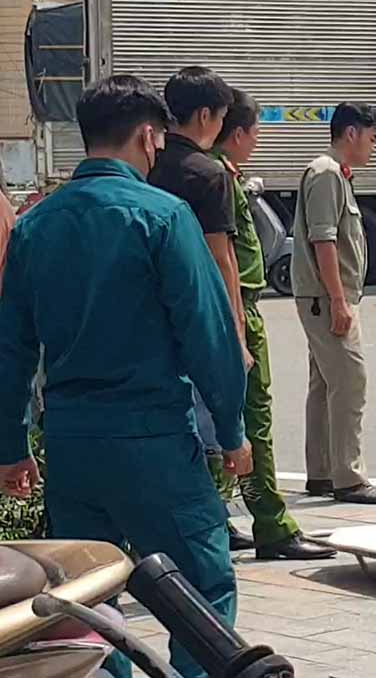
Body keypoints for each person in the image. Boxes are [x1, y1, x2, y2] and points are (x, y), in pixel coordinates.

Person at [0, 75, 250, 678]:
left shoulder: (37, 225)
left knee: (91, 595)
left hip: (74, 445)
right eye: (158, 139)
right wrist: (232, 430)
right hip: (154, 439)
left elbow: (11, 349)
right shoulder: (164, 217)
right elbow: (209, 336)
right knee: (200, 586)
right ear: (146, 134)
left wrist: (10, 448)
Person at [211, 89, 336, 560]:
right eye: (256, 131)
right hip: (236, 308)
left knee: (218, 423)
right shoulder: (215, 178)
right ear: (238, 132)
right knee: (250, 419)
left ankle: (220, 516)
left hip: (232, 308)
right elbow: (224, 258)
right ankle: (272, 525)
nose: (257, 140)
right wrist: (239, 331)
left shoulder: (214, 173)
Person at [291, 102, 376, 505]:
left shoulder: (335, 174)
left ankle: (322, 473)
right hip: (326, 297)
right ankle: (348, 477)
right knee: (350, 382)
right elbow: (324, 240)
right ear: (351, 133)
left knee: (325, 385)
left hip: (326, 295)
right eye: (372, 138)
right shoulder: (327, 174)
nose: (373, 147)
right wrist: (338, 300)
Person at [147, 67, 250, 371]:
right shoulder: (209, 174)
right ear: (205, 116)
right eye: (221, 118)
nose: (221, 127)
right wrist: (236, 331)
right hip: (195, 311)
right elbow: (220, 257)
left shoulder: (147, 161)